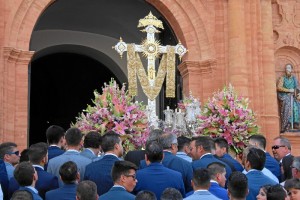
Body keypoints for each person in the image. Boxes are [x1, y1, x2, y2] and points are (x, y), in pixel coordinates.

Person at [84, 131, 123, 196]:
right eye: (121, 144)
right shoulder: (124, 167)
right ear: (116, 146)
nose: (122, 147)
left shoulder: (90, 167)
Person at [277, 63, 300, 133]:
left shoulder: (294, 79)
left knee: (296, 106)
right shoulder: (282, 78)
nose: (288, 69)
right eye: (286, 68)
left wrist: (296, 93)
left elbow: (297, 88)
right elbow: (279, 87)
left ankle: (296, 123)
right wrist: (289, 90)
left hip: (293, 96)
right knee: (288, 105)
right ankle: (287, 125)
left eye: (289, 68)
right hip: (285, 96)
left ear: (292, 70)